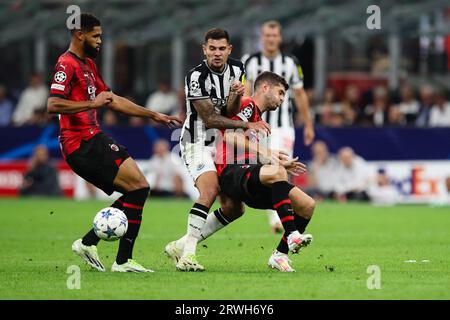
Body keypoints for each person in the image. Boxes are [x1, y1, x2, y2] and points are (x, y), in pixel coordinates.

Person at [47, 13, 180, 273]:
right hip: (81, 143)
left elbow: (111, 99)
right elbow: (52, 104)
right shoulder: (66, 64)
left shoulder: (87, 65)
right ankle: (120, 260)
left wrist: (153, 114)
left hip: (92, 139)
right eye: (96, 36)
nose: (100, 41)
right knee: (139, 187)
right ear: (79, 35)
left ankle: (92, 244)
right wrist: (91, 103)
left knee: (138, 189)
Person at [166, 71, 315, 272]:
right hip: (230, 171)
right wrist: (267, 154)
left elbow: (252, 155)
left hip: (247, 175)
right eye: (280, 93)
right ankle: (292, 234)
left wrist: (276, 160)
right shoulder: (247, 105)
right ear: (264, 88)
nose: (281, 99)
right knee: (275, 172)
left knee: (307, 205)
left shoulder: (259, 120)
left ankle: (279, 255)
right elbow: (228, 136)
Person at [168, 28, 270, 272]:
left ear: (229, 49)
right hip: (196, 140)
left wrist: (236, 96)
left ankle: (178, 246)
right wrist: (247, 124)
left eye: (221, 48)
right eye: (212, 48)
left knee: (234, 208)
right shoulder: (195, 77)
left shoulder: (238, 69)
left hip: (223, 143)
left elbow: (229, 112)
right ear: (204, 49)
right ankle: (188, 256)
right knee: (210, 189)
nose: (216, 53)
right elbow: (211, 119)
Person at [242, 20, 315, 233]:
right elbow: (246, 92)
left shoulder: (291, 62)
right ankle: (276, 215)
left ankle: (277, 217)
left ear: (280, 38)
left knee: (283, 166)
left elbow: (299, 94)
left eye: (274, 35)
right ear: (262, 37)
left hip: (284, 127)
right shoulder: (250, 61)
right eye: (267, 35)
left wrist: (308, 124)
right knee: (265, 167)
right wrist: (246, 121)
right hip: (258, 125)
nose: (271, 39)